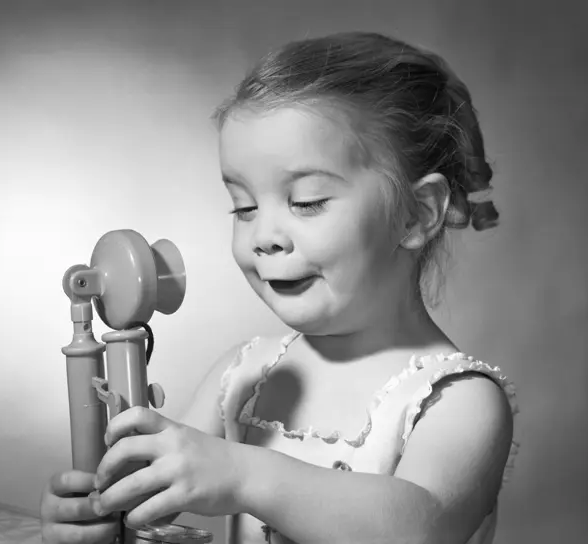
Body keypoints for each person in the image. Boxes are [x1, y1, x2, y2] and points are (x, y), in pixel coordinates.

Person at [40, 31, 519, 544]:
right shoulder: (242, 375)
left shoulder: (460, 401)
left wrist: (245, 474)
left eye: (307, 201)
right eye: (244, 207)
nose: (263, 237)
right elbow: (160, 491)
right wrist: (102, 514)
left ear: (416, 214)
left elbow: (418, 528)